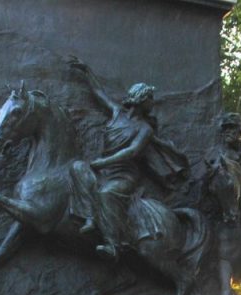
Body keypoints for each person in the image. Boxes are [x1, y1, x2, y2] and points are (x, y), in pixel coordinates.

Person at [67, 56, 187, 260]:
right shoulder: (116, 113)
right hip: (103, 169)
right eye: (150, 98)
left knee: (106, 193)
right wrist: (87, 72)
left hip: (123, 175)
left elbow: (132, 151)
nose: (153, 103)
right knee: (77, 167)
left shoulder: (145, 129)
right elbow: (99, 93)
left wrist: (103, 162)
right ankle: (89, 217)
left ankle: (113, 245)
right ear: (140, 98)